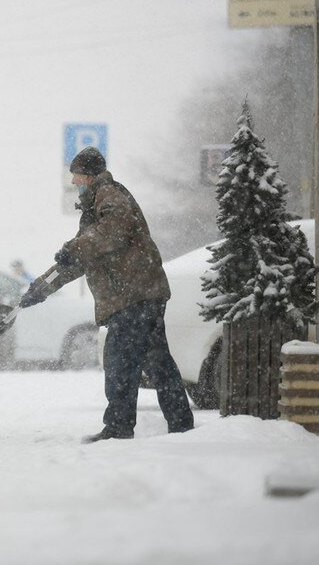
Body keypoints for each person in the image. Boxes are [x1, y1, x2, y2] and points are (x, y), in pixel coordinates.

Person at [18, 147, 193, 443]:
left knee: (120, 362)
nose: (74, 182)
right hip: (141, 293)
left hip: (133, 296)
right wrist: (41, 289)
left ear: (88, 174)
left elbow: (110, 234)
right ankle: (181, 425)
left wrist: (74, 249)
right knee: (158, 362)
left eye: (76, 176)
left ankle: (119, 427)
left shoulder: (109, 195)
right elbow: (81, 257)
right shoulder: (94, 207)